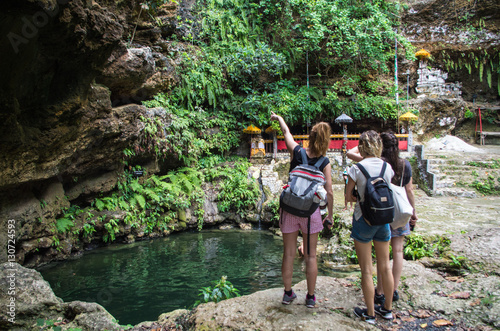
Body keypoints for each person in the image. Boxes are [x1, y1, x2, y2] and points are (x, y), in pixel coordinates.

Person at [270, 111, 334, 308]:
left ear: (310, 137)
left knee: (289, 253)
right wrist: (330, 215)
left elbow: (286, 132)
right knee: (311, 255)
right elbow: (329, 191)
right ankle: (311, 298)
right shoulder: (325, 162)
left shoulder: (297, 152)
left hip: (289, 209)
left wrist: (280, 118)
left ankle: (288, 294)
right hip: (310, 213)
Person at [345, 130, 394, 324]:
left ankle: (370, 314)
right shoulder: (387, 167)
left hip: (363, 220)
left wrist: (356, 196)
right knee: (385, 268)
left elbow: (349, 196)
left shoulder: (357, 168)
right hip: (384, 220)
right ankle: (388, 310)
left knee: (366, 270)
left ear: (362, 146)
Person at [374, 132, 418, 305]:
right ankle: (394, 289)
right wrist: (413, 212)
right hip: (401, 211)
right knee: (398, 251)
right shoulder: (404, 164)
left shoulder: (380, 164)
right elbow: (409, 191)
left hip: (384, 210)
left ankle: (380, 290)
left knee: (382, 254)